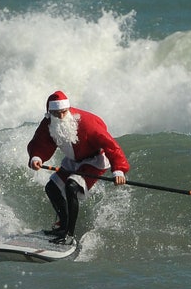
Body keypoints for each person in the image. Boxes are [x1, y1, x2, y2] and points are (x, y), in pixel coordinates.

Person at [27, 90, 130, 244]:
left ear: (68, 109)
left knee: (71, 186)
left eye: (63, 112)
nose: (61, 117)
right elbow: (40, 142)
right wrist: (37, 157)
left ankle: (69, 234)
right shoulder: (48, 123)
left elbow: (111, 146)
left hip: (94, 161)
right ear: (50, 113)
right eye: (56, 114)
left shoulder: (87, 123)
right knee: (51, 188)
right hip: (72, 161)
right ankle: (62, 226)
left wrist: (119, 170)